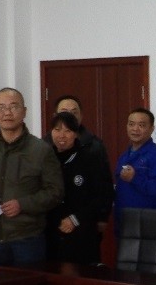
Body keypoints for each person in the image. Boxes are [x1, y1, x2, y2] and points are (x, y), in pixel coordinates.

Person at [0, 87, 63, 271]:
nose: (7, 112)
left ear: (24, 111)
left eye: (13, 106)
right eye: (1, 107)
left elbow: (55, 192)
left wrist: (22, 204)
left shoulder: (41, 150)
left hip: (27, 241)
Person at [45, 110, 114, 266]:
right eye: (57, 130)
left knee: (81, 276)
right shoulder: (46, 159)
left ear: (76, 134)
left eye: (67, 131)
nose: (61, 135)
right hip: (51, 233)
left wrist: (75, 219)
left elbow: (100, 196)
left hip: (82, 232)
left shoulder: (90, 159)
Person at [114, 107, 156, 219]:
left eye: (141, 125)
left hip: (148, 221)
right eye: (131, 124)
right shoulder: (124, 155)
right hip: (125, 218)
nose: (135, 129)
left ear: (151, 129)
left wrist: (135, 178)